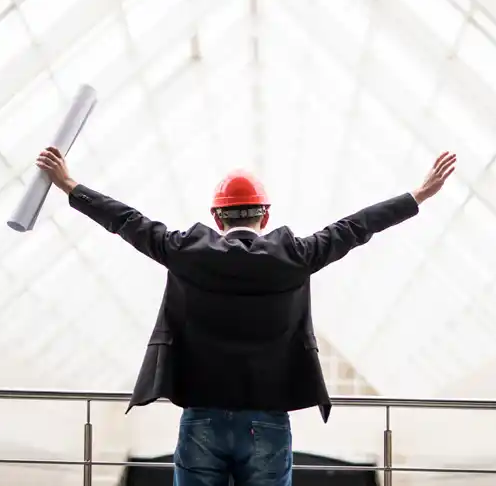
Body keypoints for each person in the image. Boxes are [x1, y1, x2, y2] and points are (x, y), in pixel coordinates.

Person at [36, 146, 457, 486]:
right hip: (267, 418)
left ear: (217, 217)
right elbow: (357, 227)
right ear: (265, 215)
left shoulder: (186, 252)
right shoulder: (296, 255)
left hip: (202, 414)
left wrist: (69, 184)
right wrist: (417, 195)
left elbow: (126, 221)